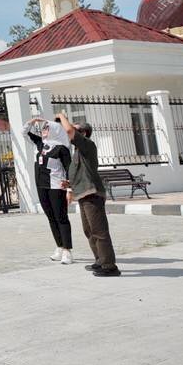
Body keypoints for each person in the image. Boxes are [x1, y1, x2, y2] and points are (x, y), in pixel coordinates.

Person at [57, 113, 120, 277]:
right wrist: (69, 185)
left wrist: (61, 116)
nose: (68, 132)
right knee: (89, 231)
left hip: (92, 193)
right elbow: (82, 173)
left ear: (83, 133)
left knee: (99, 230)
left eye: (76, 130)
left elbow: (69, 130)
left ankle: (109, 265)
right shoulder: (78, 151)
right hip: (83, 194)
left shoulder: (87, 145)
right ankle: (100, 260)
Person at [25, 117, 73, 264]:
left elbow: (69, 169)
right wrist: (33, 121)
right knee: (51, 218)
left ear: (54, 130)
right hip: (42, 186)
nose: (44, 130)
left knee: (61, 218)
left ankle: (67, 250)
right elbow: (24, 132)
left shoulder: (61, 148)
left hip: (56, 187)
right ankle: (59, 247)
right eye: (43, 128)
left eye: (47, 128)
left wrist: (70, 189)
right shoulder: (40, 144)